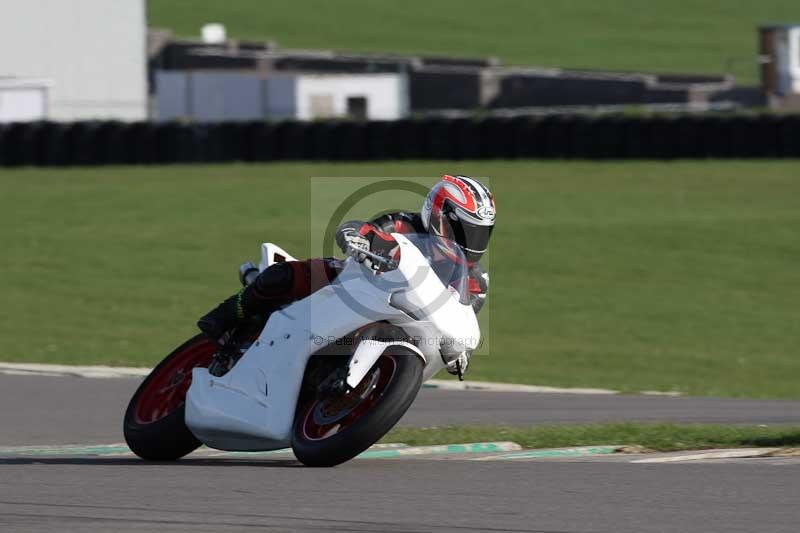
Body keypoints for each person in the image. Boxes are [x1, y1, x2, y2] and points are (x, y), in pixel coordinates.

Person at [197, 175, 495, 375]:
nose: (469, 241)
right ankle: (223, 317)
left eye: (478, 233)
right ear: (439, 215)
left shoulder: (474, 281)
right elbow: (361, 229)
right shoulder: (404, 224)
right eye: (463, 230)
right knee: (286, 275)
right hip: (361, 286)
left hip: (408, 325)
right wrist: (357, 238)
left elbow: (459, 320)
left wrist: (460, 349)